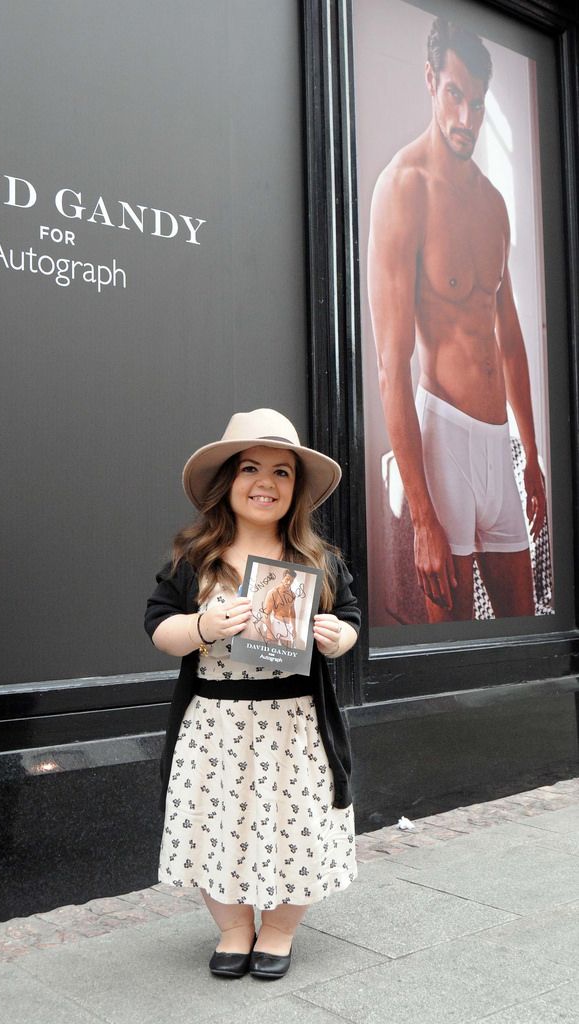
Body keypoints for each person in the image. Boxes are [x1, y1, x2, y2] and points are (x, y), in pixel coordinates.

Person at [144, 409, 360, 980]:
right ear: (227, 483)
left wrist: (339, 636)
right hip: (215, 725)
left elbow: (352, 619)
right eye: (250, 468)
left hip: (295, 725)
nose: (266, 482)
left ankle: (281, 931)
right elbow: (159, 628)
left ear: (297, 489)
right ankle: (235, 928)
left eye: (282, 472)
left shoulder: (319, 563)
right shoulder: (194, 560)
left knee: (298, 824)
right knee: (217, 824)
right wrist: (203, 627)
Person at [367, 17, 547, 623]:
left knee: (521, 635)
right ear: (430, 79)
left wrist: (533, 458)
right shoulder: (402, 189)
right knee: (455, 653)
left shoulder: (494, 204)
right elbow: (391, 366)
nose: (467, 118)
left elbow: (513, 341)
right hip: (443, 438)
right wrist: (422, 518)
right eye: (454, 95)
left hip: (501, 446)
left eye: (477, 102)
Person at [262, 569, 298, 647]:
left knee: (288, 650)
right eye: (287, 579)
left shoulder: (292, 595)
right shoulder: (273, 592)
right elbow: (266, 614)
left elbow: (292, 613)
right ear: (283, 578)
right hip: (275, 624)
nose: (289, 583)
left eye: (291, 581)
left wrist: (294, 628)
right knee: (272, 650)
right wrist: (269, 632)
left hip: (287, 626)